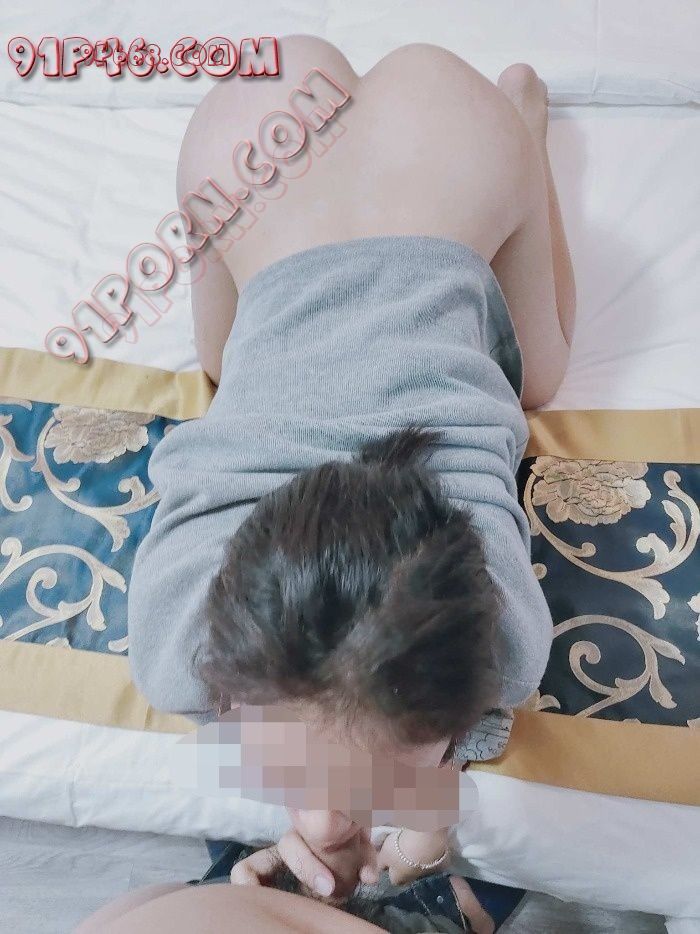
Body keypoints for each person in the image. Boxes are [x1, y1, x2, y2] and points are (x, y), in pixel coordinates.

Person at [127, 36, 575, 902]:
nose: (330, 821)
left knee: (540, 381)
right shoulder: (179, 641)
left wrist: (416, 819)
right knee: (533, 377)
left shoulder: (506, 648)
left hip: (278, 121)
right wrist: (418, 822)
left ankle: (525, 127)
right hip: (423, 125)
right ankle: (519, 130)